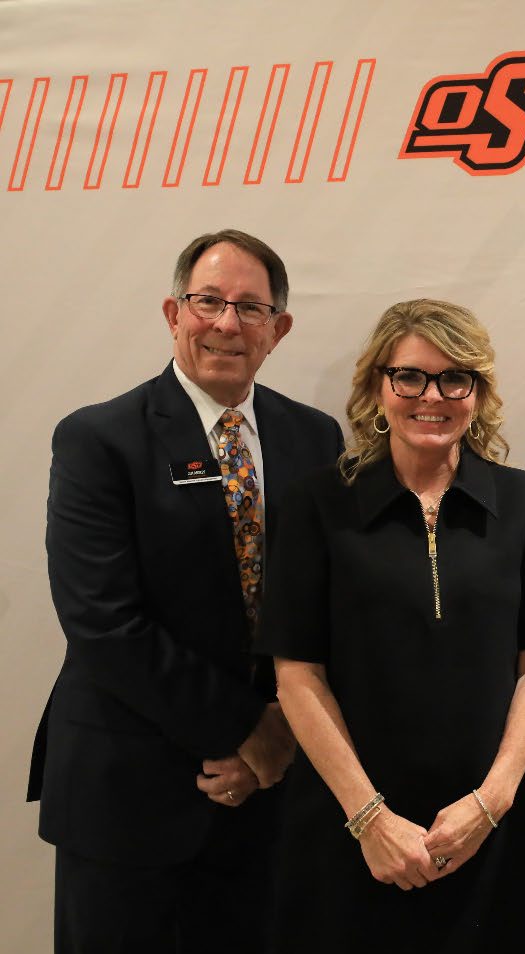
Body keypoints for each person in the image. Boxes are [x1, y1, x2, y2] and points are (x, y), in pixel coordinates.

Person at [27, 229, 343, 953]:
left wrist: (285, 737)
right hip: (128, 797)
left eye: (249, 308)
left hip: (268, 798)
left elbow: (328, 606)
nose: (227, 324)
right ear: (174, 314)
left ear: (279, 328)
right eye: (208, 302)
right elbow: (104, 624)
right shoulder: (99, 440)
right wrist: (247, 730)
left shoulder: (314, 439)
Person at [256, 298, 525, 952]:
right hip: (349, 825)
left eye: (453, 378)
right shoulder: (315, 504)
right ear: (377, 386)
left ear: (477, 392)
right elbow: (296, 675)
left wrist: (490, 803)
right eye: (409, 376)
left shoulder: (524, 503)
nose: (430, 396)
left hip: (493, 825)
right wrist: (370, 819)